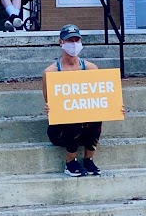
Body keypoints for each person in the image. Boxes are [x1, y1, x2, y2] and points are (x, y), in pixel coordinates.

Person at [43, 24, 104, 177]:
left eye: (77, 40)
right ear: (61, 42)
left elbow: (99, 97)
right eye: (70, 40)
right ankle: (70, 162)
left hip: (86, 127)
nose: (74, 44)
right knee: (72, 115)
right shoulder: (51, 72)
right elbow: (50, 100)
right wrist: (49, 108)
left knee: (96, 115)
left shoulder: (90, 68)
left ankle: (88, 159)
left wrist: (113, 106)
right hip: (62, 130)